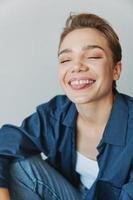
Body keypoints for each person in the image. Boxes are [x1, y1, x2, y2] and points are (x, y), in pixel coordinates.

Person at [0, 12, 133, 200]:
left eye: (93, 56)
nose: (76, 66)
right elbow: (5, 142)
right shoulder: (56, 112)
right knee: (18, 165)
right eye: (66, 59)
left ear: (116, 70)